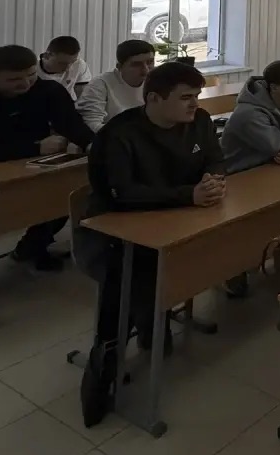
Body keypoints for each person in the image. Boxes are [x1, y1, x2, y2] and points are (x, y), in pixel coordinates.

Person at [77, 61, 226, 426]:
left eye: (196, 96)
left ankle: (151, 319)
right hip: (117, 230)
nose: (195, 104)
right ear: (155, 99)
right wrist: (188, 195)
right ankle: (107, 356)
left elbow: (215, 158)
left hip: (176, 218)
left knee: (198, 257)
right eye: (186, 97)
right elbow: (122, 193)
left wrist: (213, 181)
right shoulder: (119, 134)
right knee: (131, 280)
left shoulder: (200, 121)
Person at [0, 45, 93, 277]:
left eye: (31, 75)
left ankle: (31, 249)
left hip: (33, 168)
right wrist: (34, 147)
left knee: (63, 198)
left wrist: (91, 144)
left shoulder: (48, 90)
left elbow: (71, 124)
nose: (25, 84)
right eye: (14, 79)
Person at [77, 39, 156, 133]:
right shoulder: (101, 84)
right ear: (119, 67)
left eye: (150, 62)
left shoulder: (157, 83)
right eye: (136, 65)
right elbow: (91, 123)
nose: (146, 70)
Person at [37, 35, 93, 99]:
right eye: (62, 63)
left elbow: (84, 98)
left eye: (72, 62)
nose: (67, 68)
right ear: (47, 56)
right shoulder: (33, 68)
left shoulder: (79, 64)